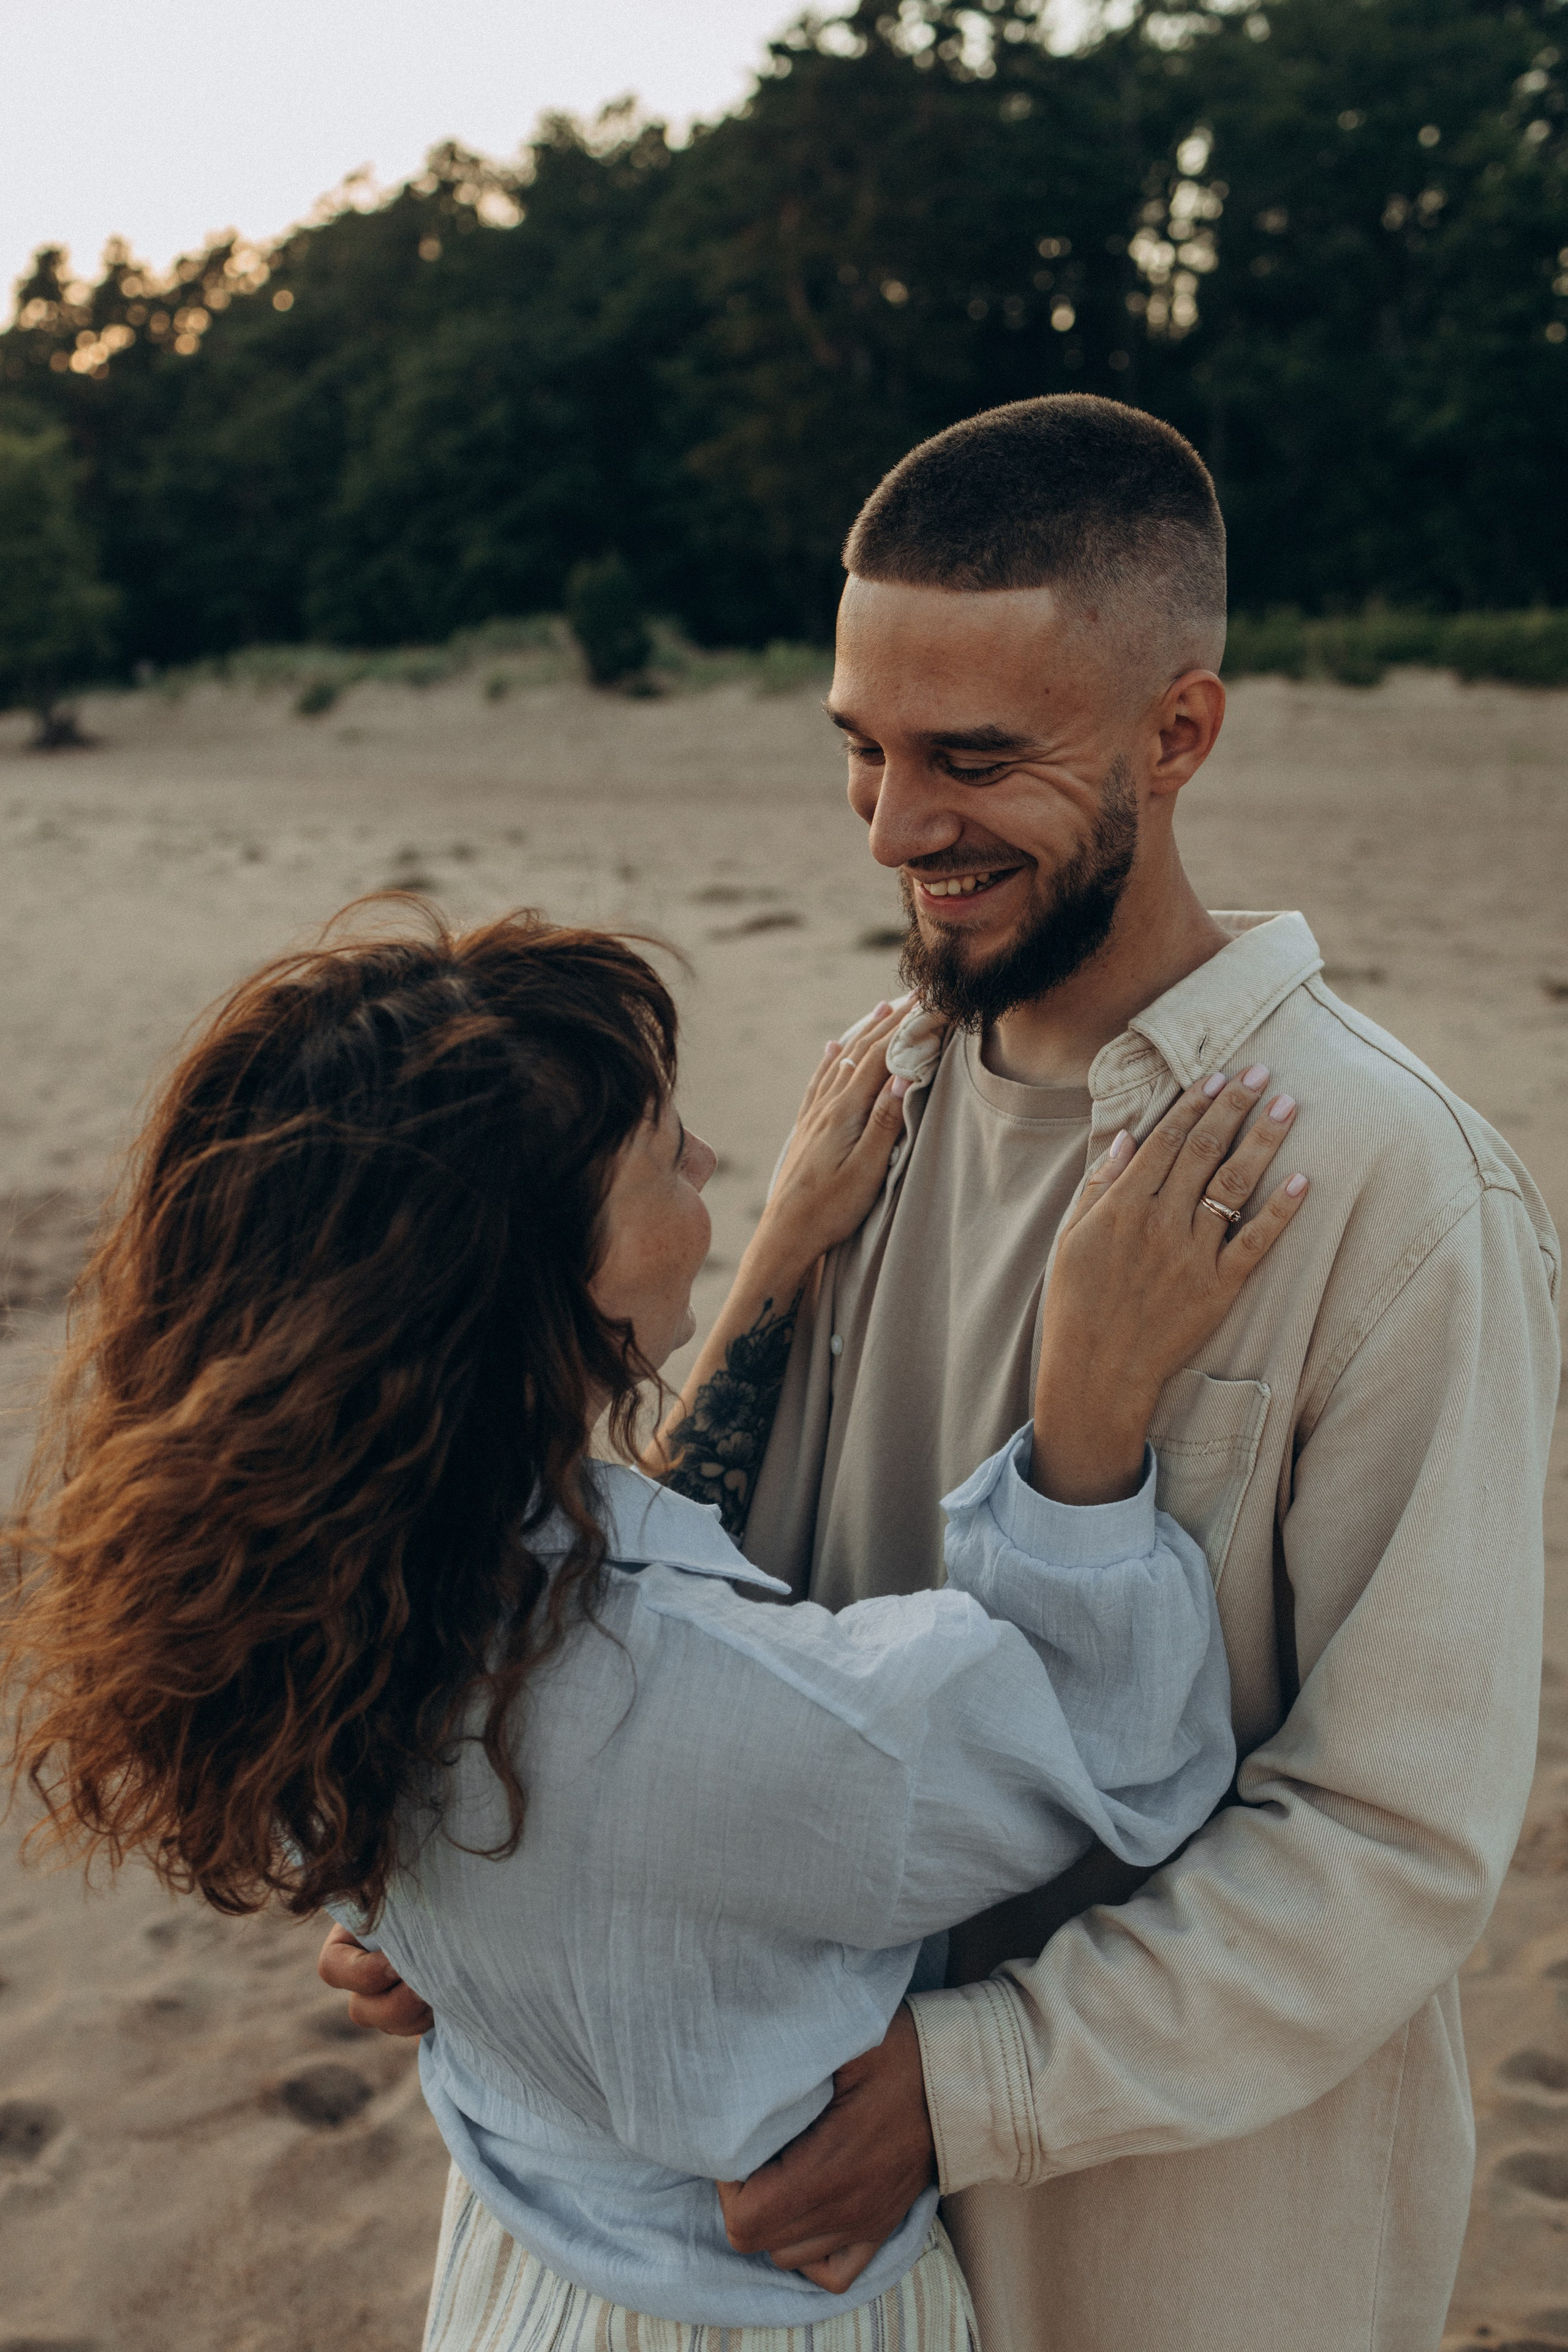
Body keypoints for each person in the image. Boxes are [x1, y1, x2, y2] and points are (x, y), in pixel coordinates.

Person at [321, 393, 1562, 2352]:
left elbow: (1396, 1839)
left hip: (1163, 2254)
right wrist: (511, 1867)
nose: (899, 828)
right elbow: (689, 1617)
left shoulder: (1392, 1194)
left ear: (1179, 733)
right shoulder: (867, 1090)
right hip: (781, 2269)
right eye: (866, 752)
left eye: (975, 760)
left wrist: (967, 2083)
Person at [2, 910, 1311, 2350]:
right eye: (656, 1155)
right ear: (527, 1287)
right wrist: (1090, 1401)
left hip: (515, 2271)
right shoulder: (708, 1705)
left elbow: (586, 1574)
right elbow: (1085, 1738)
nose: (706, 1163)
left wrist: (766, 1264)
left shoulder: (325, 1594)